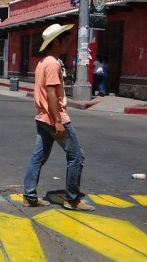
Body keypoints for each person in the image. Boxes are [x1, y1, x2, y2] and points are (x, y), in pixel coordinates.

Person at [22, 23, 95, 211]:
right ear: (55, 42)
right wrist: (58, 121)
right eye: (66, 41)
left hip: (41, 116)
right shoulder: (53, 64)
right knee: (77, 156)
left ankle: (29, 196)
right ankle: (72, 199)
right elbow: (52, 94)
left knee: (38, 157)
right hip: (53, 117)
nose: (68, 44)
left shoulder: (43, 62)